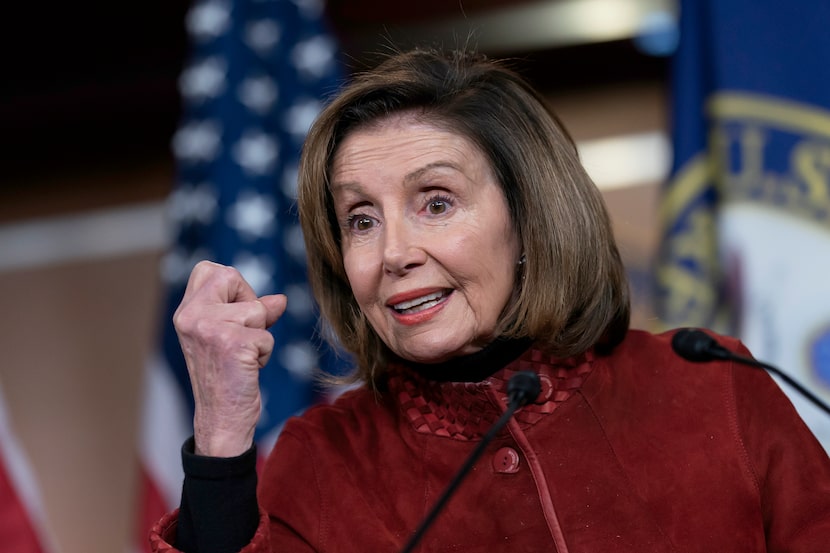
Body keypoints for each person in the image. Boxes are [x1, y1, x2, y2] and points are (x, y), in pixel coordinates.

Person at [149, 48, 830, 553]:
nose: (393, 252)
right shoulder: (323, 460)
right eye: (361, 219)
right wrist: (222, 431)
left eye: (436, 202)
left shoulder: (710, 387)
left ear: (529, 219)